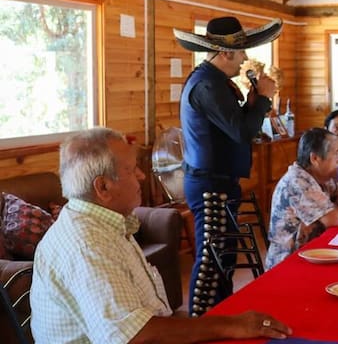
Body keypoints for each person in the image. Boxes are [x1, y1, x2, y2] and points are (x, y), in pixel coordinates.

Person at [31, 127, 292, 343]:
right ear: (103, 187)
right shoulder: (87, 244)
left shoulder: (105, 224)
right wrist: (231, 325)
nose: (142, 176)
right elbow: (134, 336)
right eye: (132, 169)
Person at [174, 16, 282, 315]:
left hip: (217, 181)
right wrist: (262, 100)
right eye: (240, 51)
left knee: (224, 259)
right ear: (225, 53)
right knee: (211, 261)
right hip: (209, 183)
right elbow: (242, 131)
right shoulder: (207, 85)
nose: (244, 58)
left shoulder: (214, 82)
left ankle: (220, 319)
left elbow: (235, 126)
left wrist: (254, 102)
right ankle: (201, 325)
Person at [266, 127, 338, 269]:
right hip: (287, 265)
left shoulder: (323, 178)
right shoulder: (298, 181)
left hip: (314, 254)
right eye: (336, 153)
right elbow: (336, 219)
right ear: (315, 158)